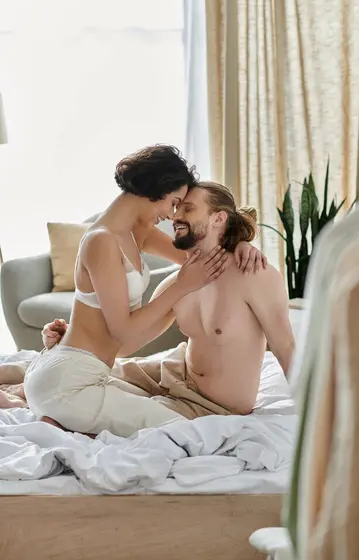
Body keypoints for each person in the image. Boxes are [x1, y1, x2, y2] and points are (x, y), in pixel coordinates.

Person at [4, 146, 266, 434]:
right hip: (68, 381)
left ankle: (59, 420)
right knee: (183, 432)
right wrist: (180, 286)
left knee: (164, 411)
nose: (172, 215)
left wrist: (241, 242)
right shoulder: (100, 241)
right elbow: (124, 332)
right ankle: (52, 413)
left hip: (80, 372)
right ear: (156, 188)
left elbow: (201, 257)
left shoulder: (136, 232)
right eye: (174, 202)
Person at [40, 182, 295, 420]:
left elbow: (285, 347)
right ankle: (21, 386)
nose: (175, 217)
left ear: (219, 218)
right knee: (81, 378)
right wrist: (72, 339)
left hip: (211, 406)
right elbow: (126, 346)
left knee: (76, 405)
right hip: (171, 376)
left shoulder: (254, 275)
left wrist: (316, 417)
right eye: (176, 208)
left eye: (188, 208)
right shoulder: (177, 284)